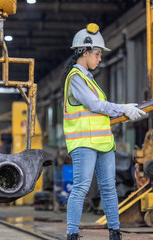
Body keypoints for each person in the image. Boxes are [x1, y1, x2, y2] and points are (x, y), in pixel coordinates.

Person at [63, 23, 146, 240]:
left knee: (109, 188)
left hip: (103, 143)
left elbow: (101, 111)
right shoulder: (76, 78)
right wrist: (123, 108)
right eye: (98, 54)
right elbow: (96, 105)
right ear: (84, 52)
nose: (100, 59)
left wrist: (127, 111)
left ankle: (115, 232)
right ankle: (72, 234)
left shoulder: (90, 80)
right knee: (81, 187)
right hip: (83, 144)